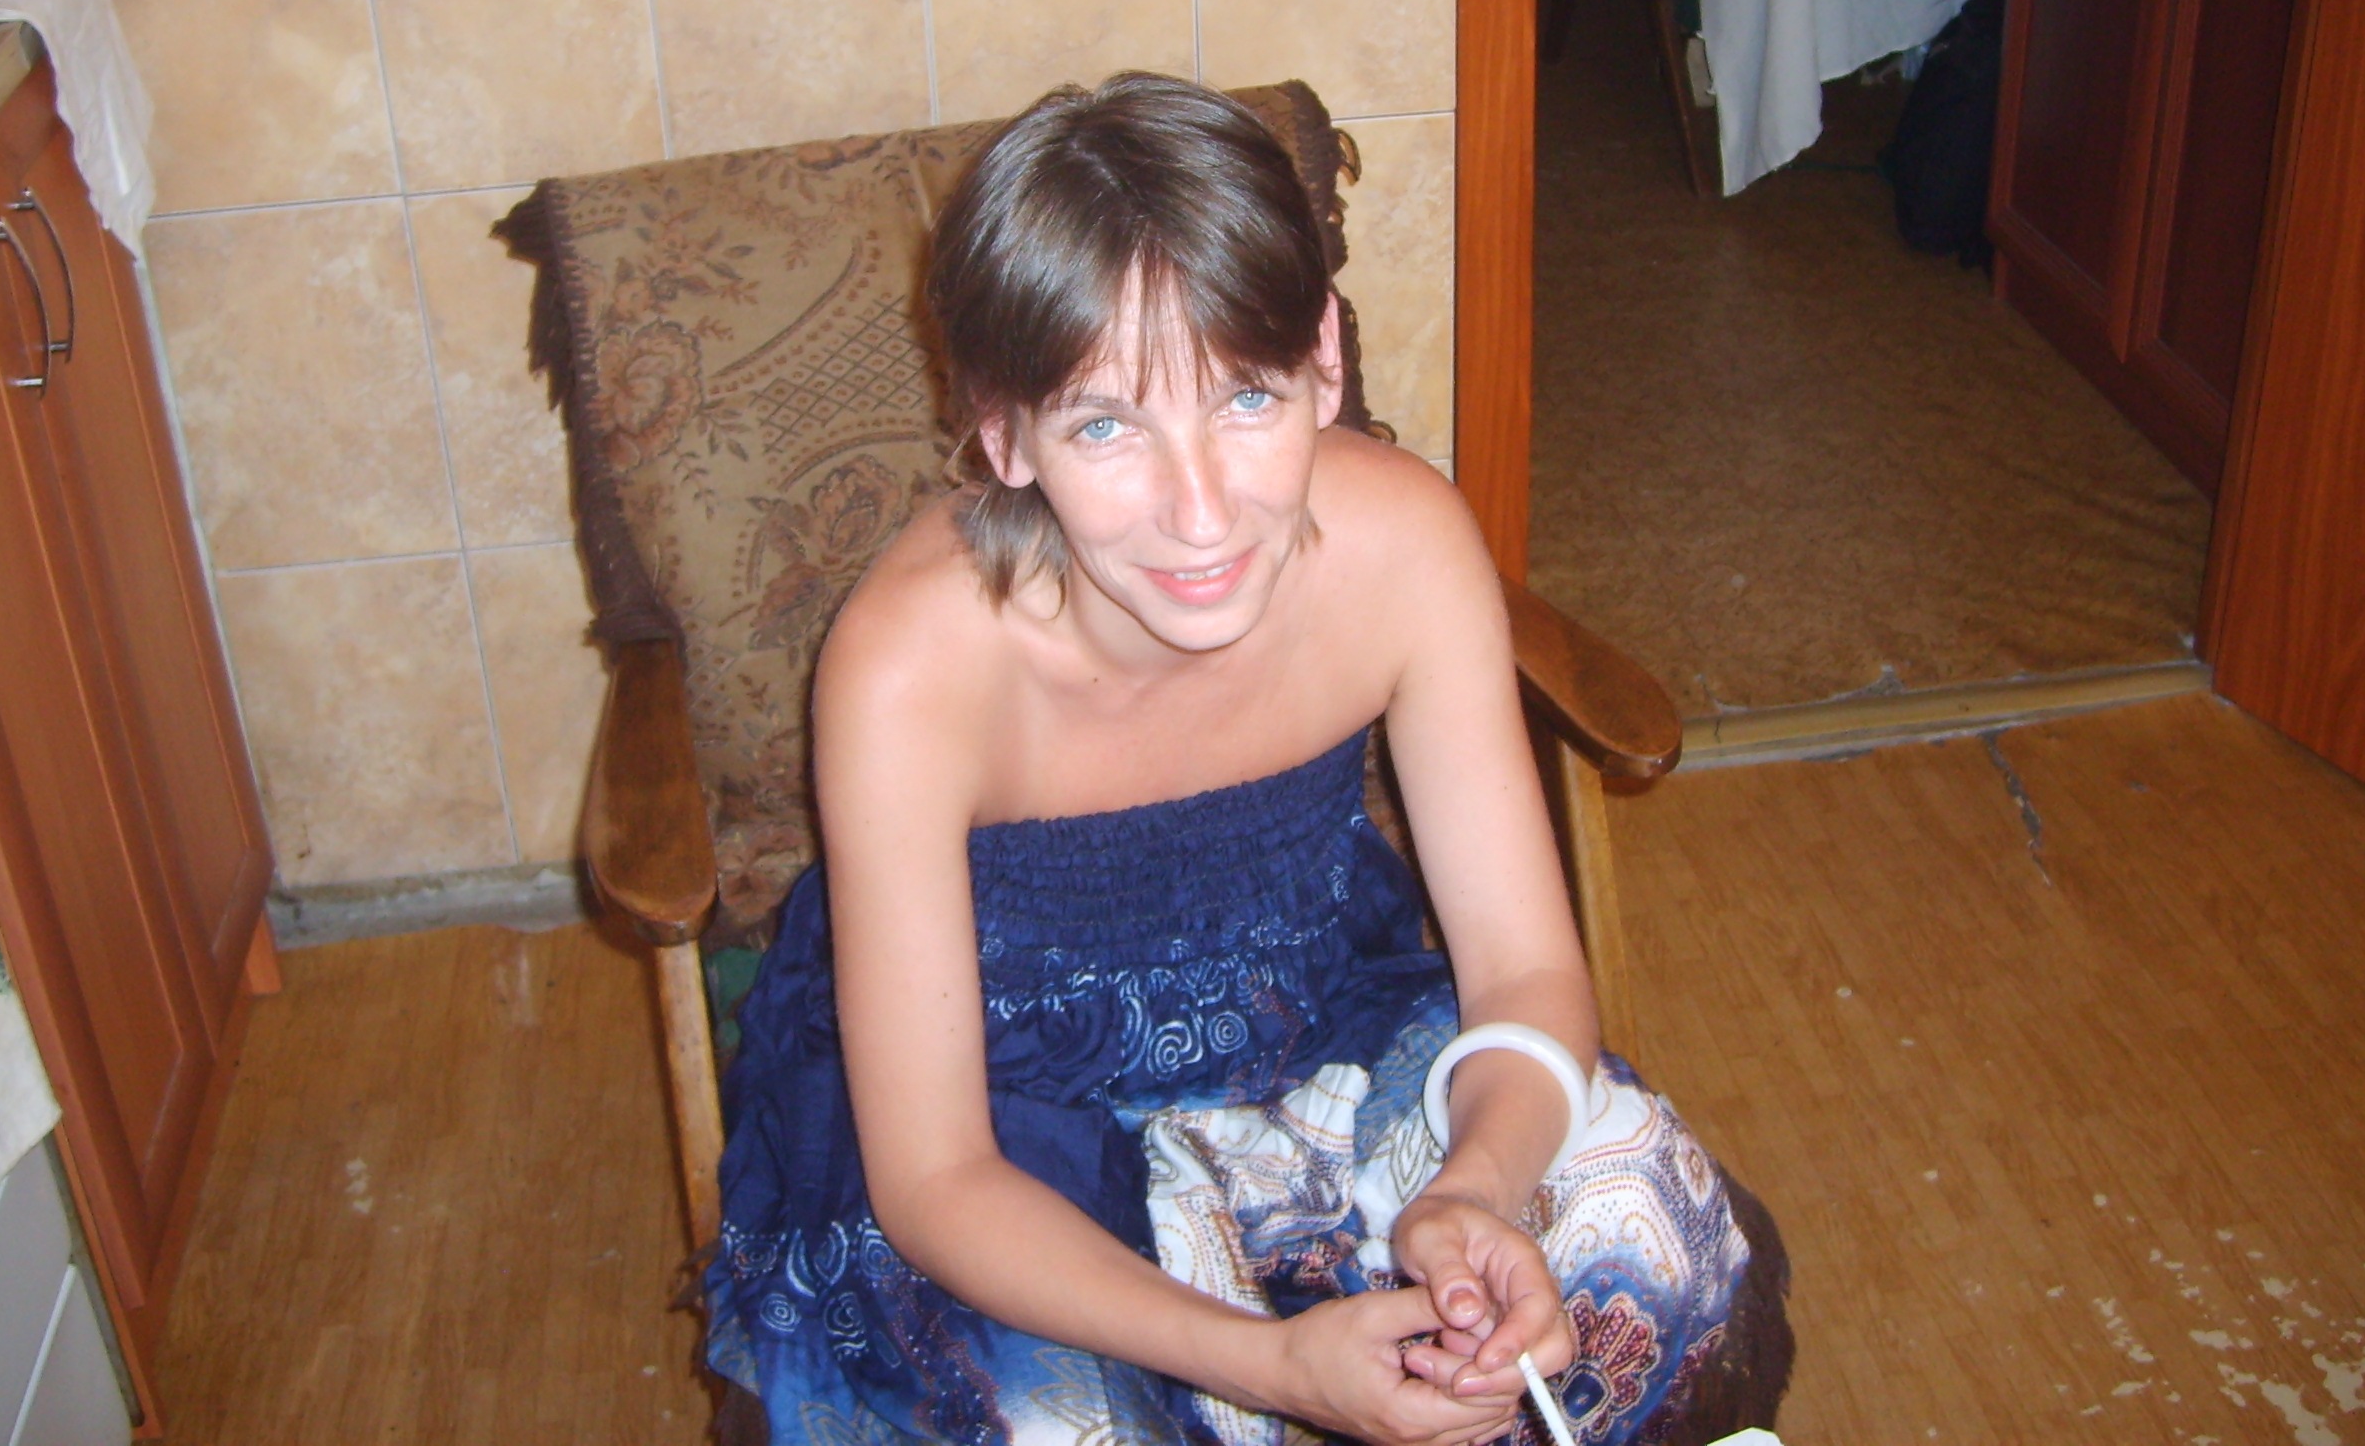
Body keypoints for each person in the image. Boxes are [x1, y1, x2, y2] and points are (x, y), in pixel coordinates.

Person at [706, 75, 1786, 1446]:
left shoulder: (1407, 552)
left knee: (1644, 1231)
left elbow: (1522, 969)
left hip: (1317, 1025)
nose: (1201, 511)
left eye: (1245, 397)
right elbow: (937, 1179)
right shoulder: (911, 668)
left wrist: (1472, 1192)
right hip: (1009, 1123)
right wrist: (1270, 1369)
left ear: (1323, 357)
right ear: (1003, 432)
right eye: (1105, 424)